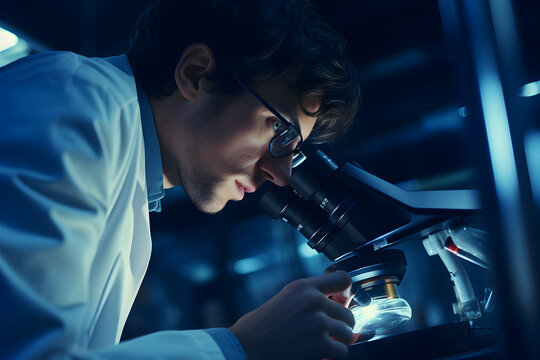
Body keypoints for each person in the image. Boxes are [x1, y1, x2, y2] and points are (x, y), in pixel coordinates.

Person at [0, 0, 362, 359]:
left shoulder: (129, 184)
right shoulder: (71, 106)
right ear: (195, 74)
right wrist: (237, 347)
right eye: (280, 132)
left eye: (292, 149)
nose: (281, 175)